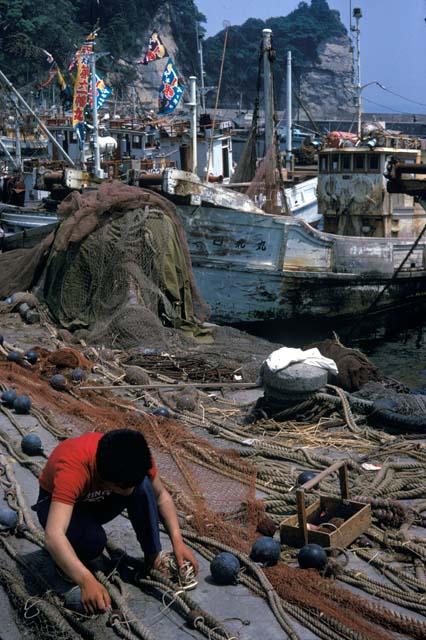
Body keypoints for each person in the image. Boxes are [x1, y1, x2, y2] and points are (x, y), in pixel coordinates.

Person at [33, 429, 198, 614]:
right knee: (92, 542)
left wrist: (178, 541)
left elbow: (161, 497)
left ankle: (153, 557)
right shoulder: (74, 467)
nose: (130, 489)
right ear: (105, 482)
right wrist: (86, 580)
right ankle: (68, 563)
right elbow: (53, 535)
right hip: (55, 506)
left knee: (143, 487)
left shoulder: (137, 457)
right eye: (124, 487)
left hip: (95, 501)